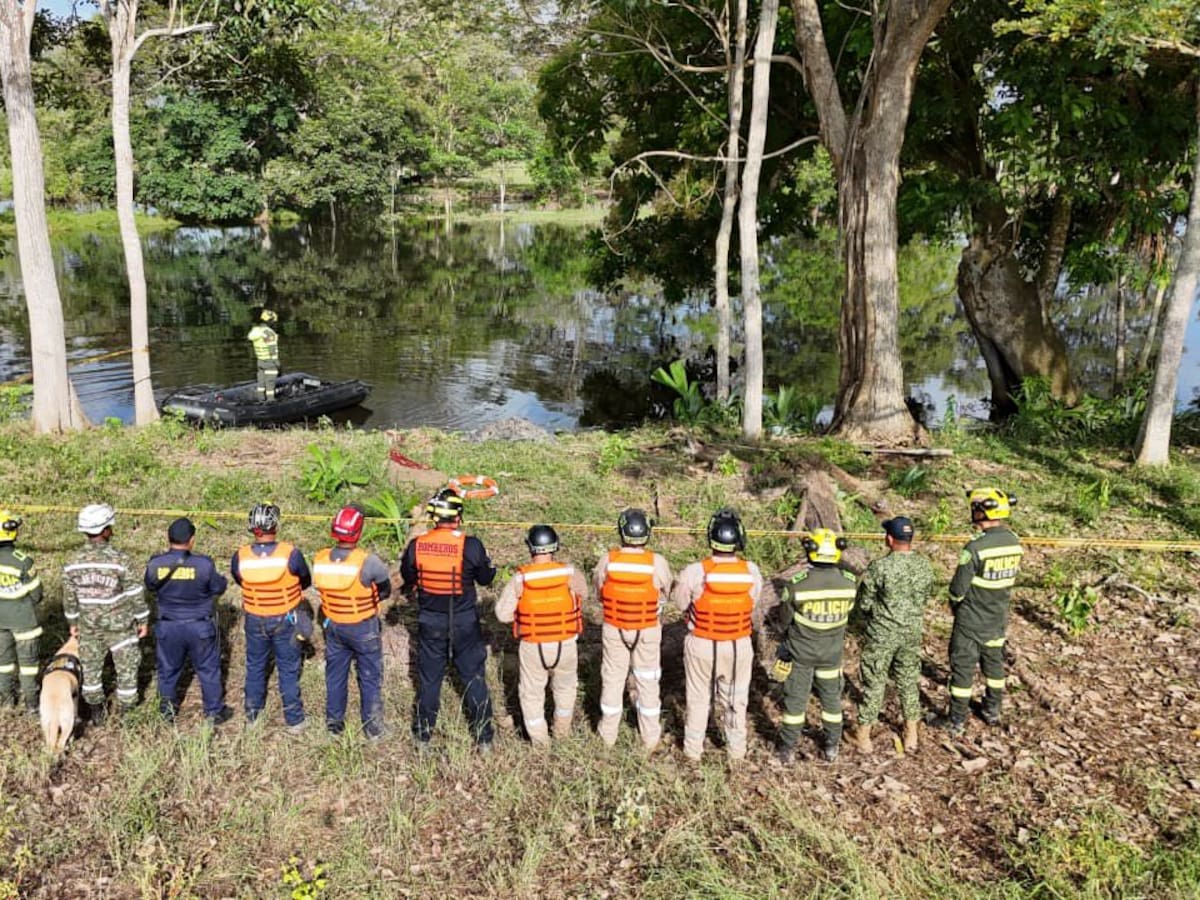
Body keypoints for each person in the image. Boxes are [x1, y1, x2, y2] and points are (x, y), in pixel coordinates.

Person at [399, 488, 496, 751]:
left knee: (429, 680)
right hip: (464, 621)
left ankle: (423, 735)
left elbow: (408, 577)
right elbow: (486, 578)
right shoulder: (471, 545)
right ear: (458, 516)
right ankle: (483, 737)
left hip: (430, 621)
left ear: (433, 517)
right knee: (473, 677)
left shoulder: (417, 546)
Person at [671, 508, 763, 763]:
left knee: (698, 698)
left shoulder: (695, 571)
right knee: (736, 699)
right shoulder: (751, 571)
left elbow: (679, 603)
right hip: (738, 644)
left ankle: (692, 751)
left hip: (701, 642)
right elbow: (753, 602)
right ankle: (736, 751)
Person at [930, 488, 1023, 736]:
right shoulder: (1014, 542)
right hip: (998, 617)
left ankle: (956, 720)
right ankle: (993, 709)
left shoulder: (975, 548)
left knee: (962, 667)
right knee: (993, 664)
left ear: (983, 511)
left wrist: (955, 604)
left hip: (971, 619)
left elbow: (958, 589)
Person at [496, 525, 589, 745]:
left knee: (531, 694)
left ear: (530, 547)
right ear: (555, 546)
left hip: (533, 645)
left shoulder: (520, 579)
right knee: (566, 688)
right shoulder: (569, 572)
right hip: (565, 644)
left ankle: (540, 742)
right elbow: (583, 594)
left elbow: (502, 614)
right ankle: (562, 732)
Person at [850, 517, 937, 754]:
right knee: (908, 681)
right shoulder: (924, 565)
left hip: (882, 634)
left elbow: (864, 604)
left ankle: (864, 737)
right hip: (911, 631)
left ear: (889, 539)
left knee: (874, 681)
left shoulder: (880, 567)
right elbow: (928, 594)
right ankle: (911, 734)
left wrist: (860, 621)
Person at [774, 528, 858, 764]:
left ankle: (788, 748)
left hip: (801, 654)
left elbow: (784, 619)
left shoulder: (797, 585)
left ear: (811, 551)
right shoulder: (850, 584)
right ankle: (832, 745)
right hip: (832, 654)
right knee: (831, 700)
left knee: (795, 702)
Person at [592, 508, 673, 751]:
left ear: (621, 531)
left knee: (612, 679)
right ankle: (650, 737)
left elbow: (599, 590)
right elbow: (667, 591)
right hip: (647, 629)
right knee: (648, 681)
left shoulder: (608, 560)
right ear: (647, 534)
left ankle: (607, 735)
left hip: (615, 628)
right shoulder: (656, 562)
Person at [63, 504, 149, 724]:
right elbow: (134, 592)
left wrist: (72, 621)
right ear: (106, 530)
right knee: (127, 668)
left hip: (89, 625)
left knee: (90, 670)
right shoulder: (120, 559)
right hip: (120, 626)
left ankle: (97, 713)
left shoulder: (72, 562)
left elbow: (70, 597)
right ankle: (127, 714)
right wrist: (143, 619)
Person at [144, 517, 233, 726]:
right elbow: (219, 587)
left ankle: (166, 712)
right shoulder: (204, 565)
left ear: (169, 538)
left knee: (167, 670)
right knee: (208, 669)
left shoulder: (155, 563)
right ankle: (213, 712)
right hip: (199, 626)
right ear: (192, 540)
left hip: (168, 626)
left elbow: (150, 586)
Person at [312, 505, 392, 740]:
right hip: (363, 626)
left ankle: (334, 727)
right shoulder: (368, 562)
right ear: (358, 533)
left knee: (335, 676)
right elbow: (385, 590)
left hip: (334, 626)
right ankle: (373, 729)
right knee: (369, 677)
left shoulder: (320, 559)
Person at [231, 503, 310, 732]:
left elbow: (238, 578)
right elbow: (305, 579)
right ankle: (294, 720)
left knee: (255, 665)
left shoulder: (241, 556)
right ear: (275, 525)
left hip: (255, 618)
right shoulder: (290, 553)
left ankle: (253, 716)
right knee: (288, 667)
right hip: (286, 618)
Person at [0, 511, 43, 713]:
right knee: (28, 667)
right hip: (25, 623)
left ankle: (7, 702)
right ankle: (32, 706)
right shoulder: (22, 560)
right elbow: (37, 595)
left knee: (3, 665)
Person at [247, 309, 280, 400]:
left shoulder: (256, 331)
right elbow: (272, 348)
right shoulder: (269, 333)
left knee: (261, 382)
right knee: (270, 382)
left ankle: (260, 398)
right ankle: (271, 400)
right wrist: (277, 363)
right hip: (270, 362)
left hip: (260, 361)